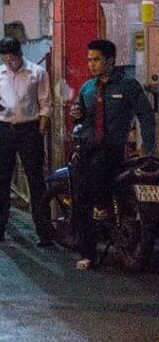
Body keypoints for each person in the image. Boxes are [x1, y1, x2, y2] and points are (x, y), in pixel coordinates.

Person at [69, 39, 156, 270]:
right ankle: (88, 254)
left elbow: (146, 116)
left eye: (96, 60)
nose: (92, 64)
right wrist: (76, 114)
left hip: (112, 148)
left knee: (98, 172)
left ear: (110, 61)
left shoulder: (128, 86)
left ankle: (103, 206)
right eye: (89, 60)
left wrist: (148, 147)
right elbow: (81, 117)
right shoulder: (87, 88)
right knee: (79, 198)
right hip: (87, 146)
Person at [0, 37, 54, 247]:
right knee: (1, 179)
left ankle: (44, 232)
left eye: (12, 58)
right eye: (5, 59)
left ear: (20, 54)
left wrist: (41, 127)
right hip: (5, 128)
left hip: (29, 129)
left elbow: (45, 102)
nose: (9, 63)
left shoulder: (37, 73)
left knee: (36, 181)